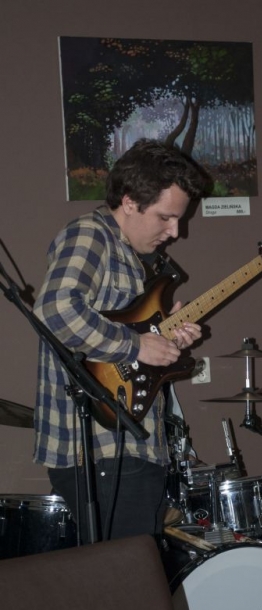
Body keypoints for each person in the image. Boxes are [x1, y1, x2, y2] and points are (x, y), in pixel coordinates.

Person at [33, 139, 206, 543]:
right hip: (101, 450)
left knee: (126, 573)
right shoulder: (90, 236)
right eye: (165, 217)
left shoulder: (134, 257)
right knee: (128, 574)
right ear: (129, 202)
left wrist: (165, 339)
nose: (175, 231)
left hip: (126, 447)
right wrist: (137, 345)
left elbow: (120, 335)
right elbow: (55, 310)